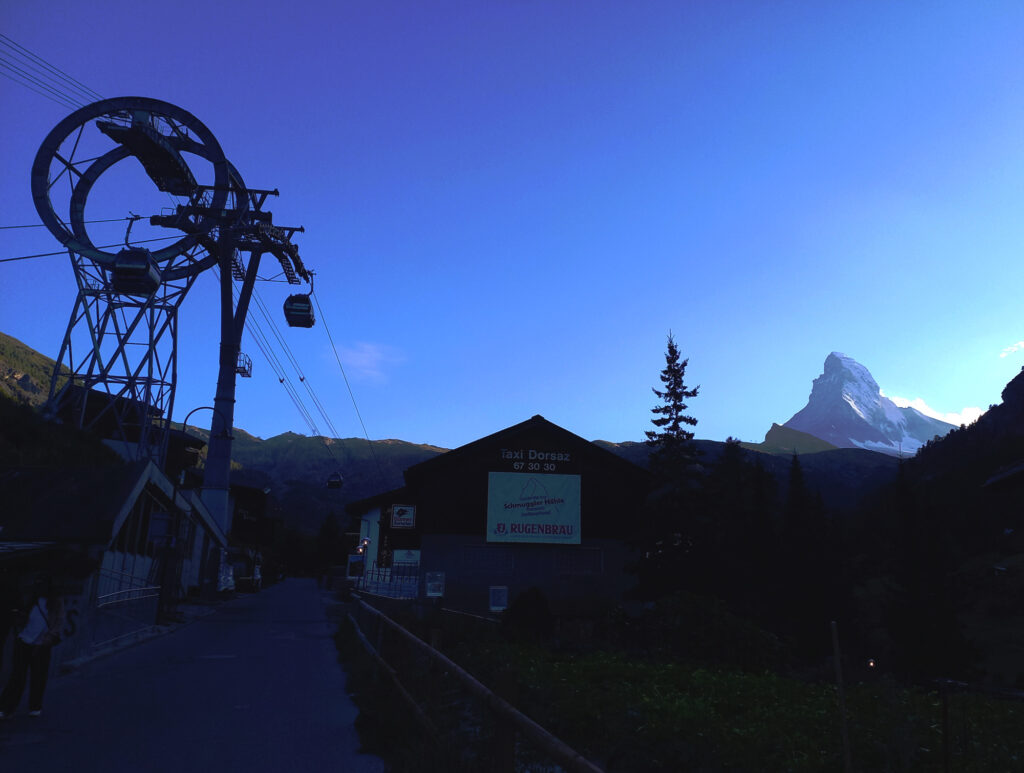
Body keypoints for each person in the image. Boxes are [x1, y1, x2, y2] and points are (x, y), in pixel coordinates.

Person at [0, 578, 65, 718]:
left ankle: (34, 706)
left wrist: (50, 636)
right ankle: (6, 707)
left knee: (38, 677)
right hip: (24, 641)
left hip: (41, 644)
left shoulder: (55, 602)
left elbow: (59, 621)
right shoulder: (31, 600)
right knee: (17, 676)